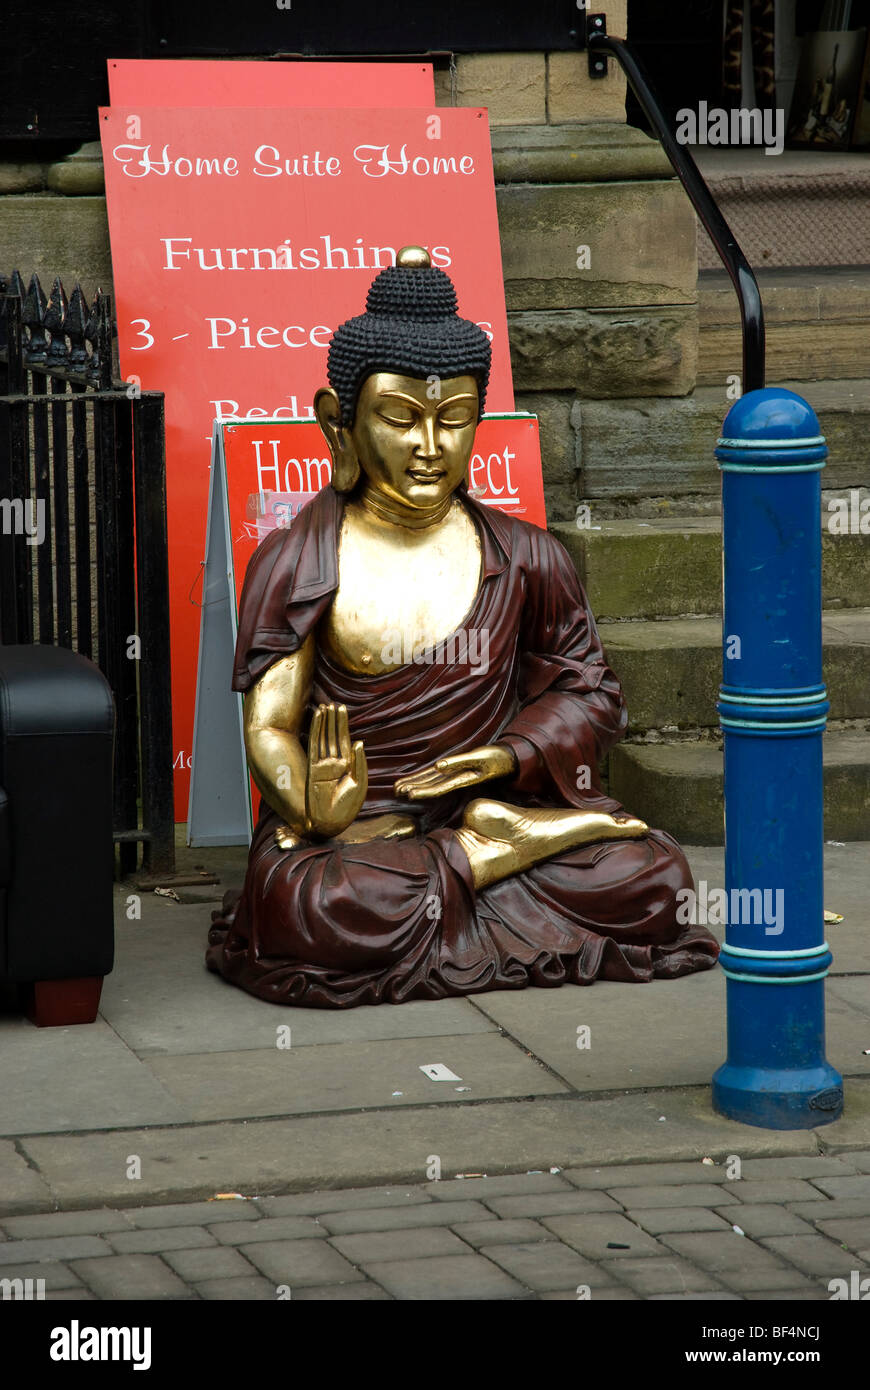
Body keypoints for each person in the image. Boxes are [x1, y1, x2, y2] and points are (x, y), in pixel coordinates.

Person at [206, 247, 719, 1007]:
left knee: (653, 876)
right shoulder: (300, 562)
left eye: (454, 420)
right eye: (399, 418)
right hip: (363, 834)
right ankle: (488, 857)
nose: (429, 447)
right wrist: (311, 803)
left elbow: (592, 691)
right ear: (337, 422)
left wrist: (502, 758)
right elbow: (269, 727)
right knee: (314, 903)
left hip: (492, 797)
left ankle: (499, 843)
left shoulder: (524, 556)